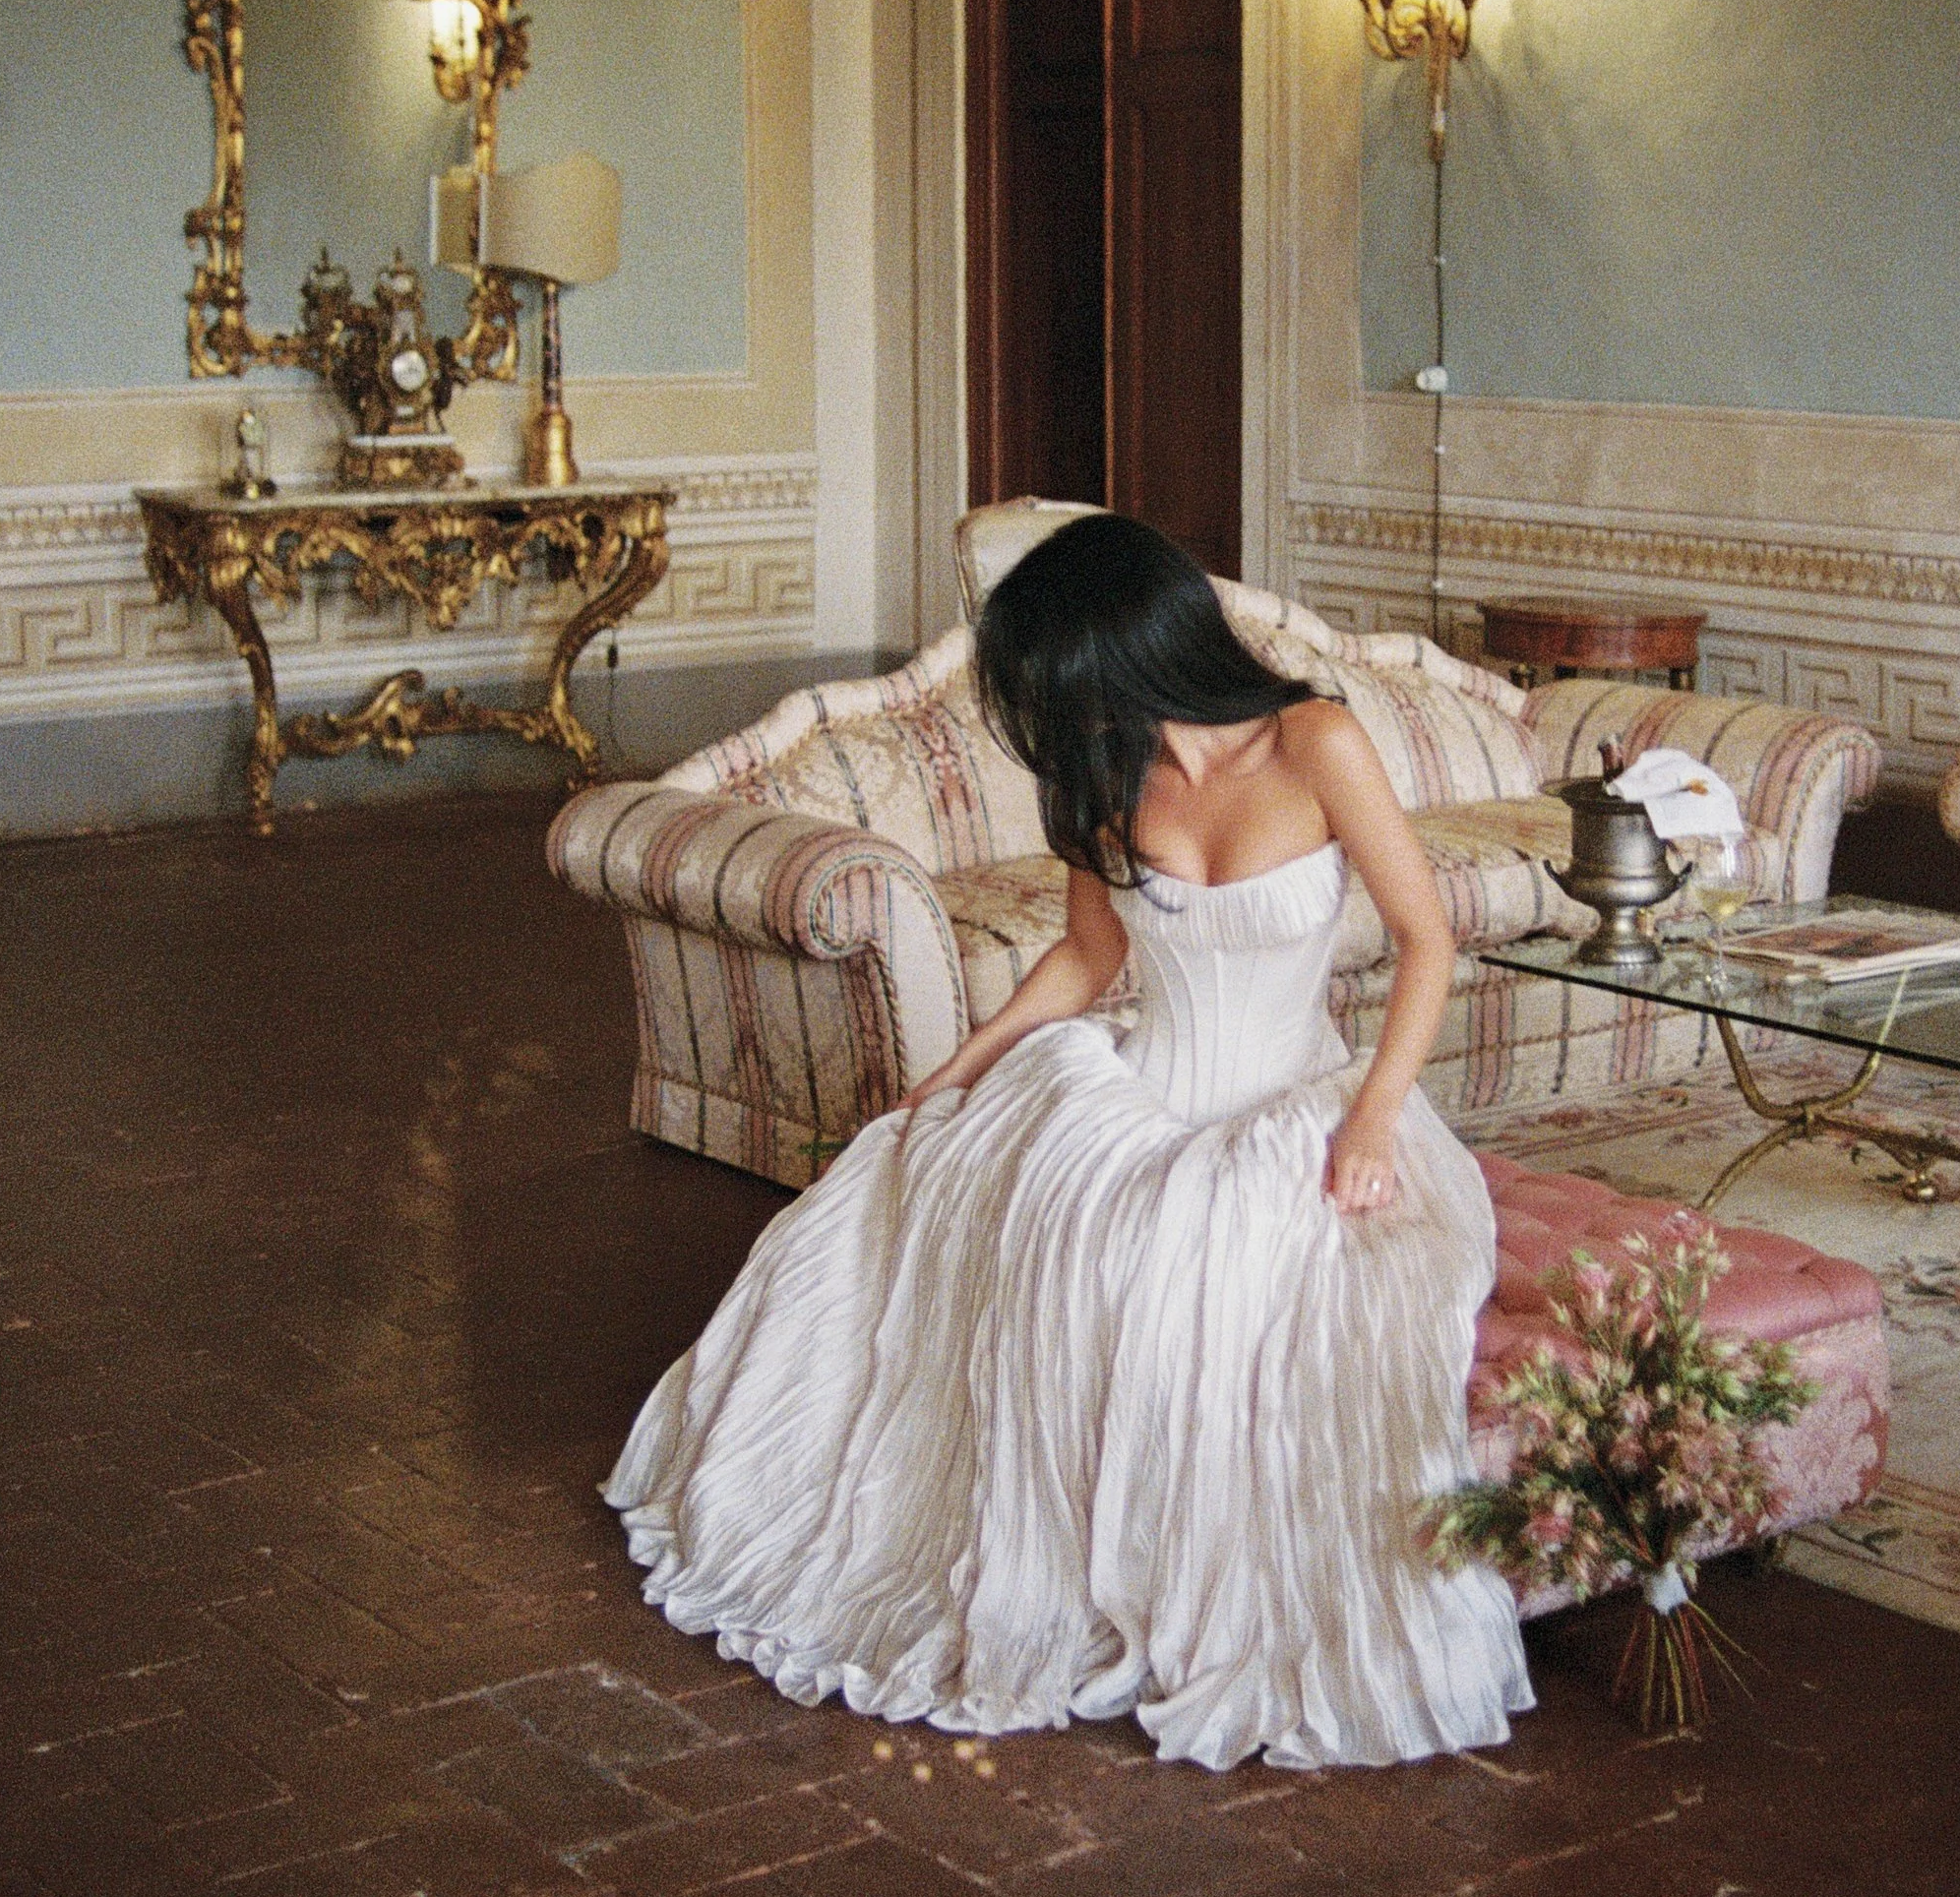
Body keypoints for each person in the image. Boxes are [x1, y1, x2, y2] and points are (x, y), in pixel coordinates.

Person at [603, 516, 1533, 1773]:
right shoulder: (1104, 769)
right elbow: (1091, 959)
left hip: (1296, 1102)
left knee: (1195, 1287)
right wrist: (952, 1074)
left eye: (1064, 684)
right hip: (1137, 1095)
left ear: (1136, 650)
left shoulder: (1315, 741)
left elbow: (1427, 939)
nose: (1055, 718)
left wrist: (1371, 1117)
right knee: (943, 1207)